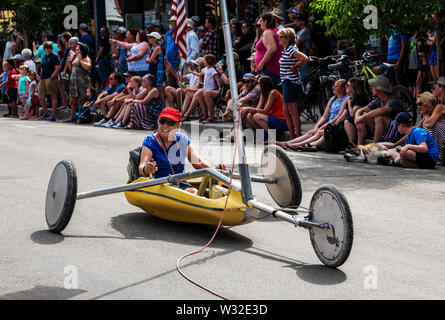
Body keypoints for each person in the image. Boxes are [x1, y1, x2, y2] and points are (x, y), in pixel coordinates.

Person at [138, 107, 226, 194]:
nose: (165, 125)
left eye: (171, 123)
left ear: (178, 125)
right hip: (157, 184)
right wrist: (146, 168)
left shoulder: (183, 139)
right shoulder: (149, 141)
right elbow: (142, 166)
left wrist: (215, 170)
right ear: (158, 122)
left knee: (194, 192)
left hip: (178, 183)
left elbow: (198, 163)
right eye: (162, 121)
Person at [277, 79, 349, 151]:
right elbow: (325, 116)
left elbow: (339, 117)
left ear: (343, 89)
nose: (333, 87)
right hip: (329, 124)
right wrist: (317, 125)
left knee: (319, 133)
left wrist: (325, 126)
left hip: (336, 125)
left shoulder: (346, 99)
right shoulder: (332, 99)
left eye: (336, 86)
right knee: (311, 132)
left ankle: (297, 145)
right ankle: (286, 143)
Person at [278, 27, 309, 139]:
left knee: (292, 111)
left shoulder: (291, 49)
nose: (279, 39)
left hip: (290, 81)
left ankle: (297, 135)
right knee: (286, 111)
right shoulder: (287, 49)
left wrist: (294, 67)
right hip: (286, 81)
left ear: (287, 38)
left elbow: (305, 58)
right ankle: (292, 135)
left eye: (281, 37)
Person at [354, 75, 403, 145]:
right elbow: (361, 110)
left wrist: (361, 117)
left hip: (397, 131)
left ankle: (374, 145)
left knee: (379, 118)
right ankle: (359, 147)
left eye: (374, 86)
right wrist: (358, 117)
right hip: (386, 130)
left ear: (380, 89)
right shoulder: (378, 100)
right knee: (363, 115)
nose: (372, 88)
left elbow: (381, 110)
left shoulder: (393, 100)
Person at [240, 75, 288, 142]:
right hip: (271, 118)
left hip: (281, 120)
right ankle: (263, 137)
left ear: (263, 85)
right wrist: (250, 111)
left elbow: (265, 111)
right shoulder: (263, 93)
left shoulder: (273, 92)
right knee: (250, 116)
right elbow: (258, 108)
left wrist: (249, 108)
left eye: (259, 84)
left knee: (257, 116)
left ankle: (272, 137)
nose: (257, 86)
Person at [255, 13, 283, 87]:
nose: (259, 23)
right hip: (271, 68)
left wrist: (261, 64)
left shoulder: (268, 32)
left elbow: (272, 49)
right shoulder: (274, 30)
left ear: (266, 21)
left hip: (269, 68)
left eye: (261, 20)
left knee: (268, 94)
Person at [66, 43, 92, 122]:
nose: (76, 51)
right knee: (72, 101)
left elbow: (88, 67)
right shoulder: (76, 57)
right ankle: (72, 116)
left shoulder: (86, 58)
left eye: (78, 50)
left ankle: (85, 116)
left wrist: (80, 60)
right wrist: (69, 62)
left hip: (82, 82)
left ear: (82, 51)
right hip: (74, 82)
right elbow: (71, 70)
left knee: (83, 99)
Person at [343, 78, 371, 150]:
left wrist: (349, 103)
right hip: (354, 123)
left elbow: (352, 114)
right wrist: (335, 123)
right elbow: (344, 114)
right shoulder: (351, 98)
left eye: (347, 85)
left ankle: (351, 143)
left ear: (353, 87)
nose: (345, 86)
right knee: (341, 123)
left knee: (347, 120)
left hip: (365, 125)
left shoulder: (360, 98)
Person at [38, 42, 61, 121]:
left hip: (51, 78)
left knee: (52, 96)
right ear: (44, 49)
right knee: (41, 97)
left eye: (50, 48)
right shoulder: (44, 57)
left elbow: (58, 67)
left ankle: (53, 115)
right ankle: (46, 113)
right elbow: (42, 67)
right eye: (47, 48)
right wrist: (40, 76)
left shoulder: (54, 56)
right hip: (43, 78)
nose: (48, 49)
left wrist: (52, 76)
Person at [145, 32, 165, 105]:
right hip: (154, 69)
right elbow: (151, 60)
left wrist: (148, 59)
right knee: (155, 87)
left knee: (160, 88)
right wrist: (150, 60)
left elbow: (149, 60)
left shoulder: (157, 48)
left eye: (150, 37)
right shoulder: (153, 48)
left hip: (157, 70)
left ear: (155, 39)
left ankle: (163, 106)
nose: (149, 39)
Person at [165, 16, 181, 89]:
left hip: (177, 62)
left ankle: (179, 100)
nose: (172, 24)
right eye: (170, 22)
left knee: (179, 83)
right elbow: (166, 46)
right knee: (170, 84)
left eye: (174, 22)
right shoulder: (168, 34)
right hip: (169, 62)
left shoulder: (179, 34)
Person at [294, 14, 311, 79]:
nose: (296, 22)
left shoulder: (304, 31)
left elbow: (296, 44)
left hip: (303, 57)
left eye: (298, 20)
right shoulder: (300, 31)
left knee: (304, 77)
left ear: (303, 22)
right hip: (301, 58)